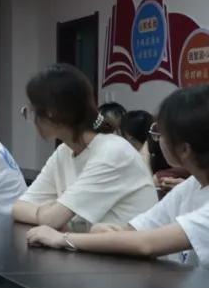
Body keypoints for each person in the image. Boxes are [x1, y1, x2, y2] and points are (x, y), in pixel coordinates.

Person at [27, 85, 209, 265]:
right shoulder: (192, 185)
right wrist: (106, 232)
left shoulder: (113, 151)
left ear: (185, 149)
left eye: (159, 133)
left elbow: (146, 244)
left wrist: (63, 239)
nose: (156, 140)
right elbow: (135, 230)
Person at [12, 64, 158, 232]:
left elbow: (52, 219)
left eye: (30, 111)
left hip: (126, 249)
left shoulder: (112, 152)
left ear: (52, 112)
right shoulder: (64, 152)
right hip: (89, 246)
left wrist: (46, 214)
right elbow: (18, 207)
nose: (30, 118)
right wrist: (43, 214)